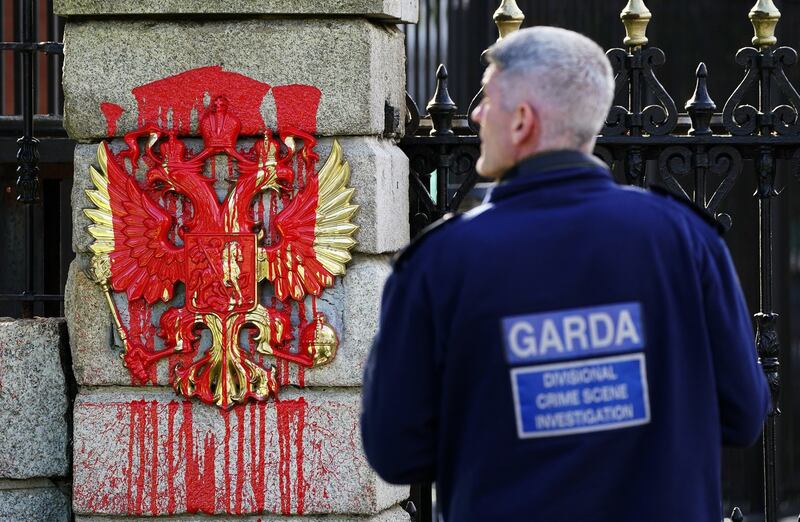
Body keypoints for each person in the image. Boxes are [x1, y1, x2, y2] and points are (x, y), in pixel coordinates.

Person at [360, 26, 771, 522]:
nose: (474, 115)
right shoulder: (686, 240)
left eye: (488, 99)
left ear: (522, 122)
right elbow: (745, 416)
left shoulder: (439, 262)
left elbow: (395, 451)